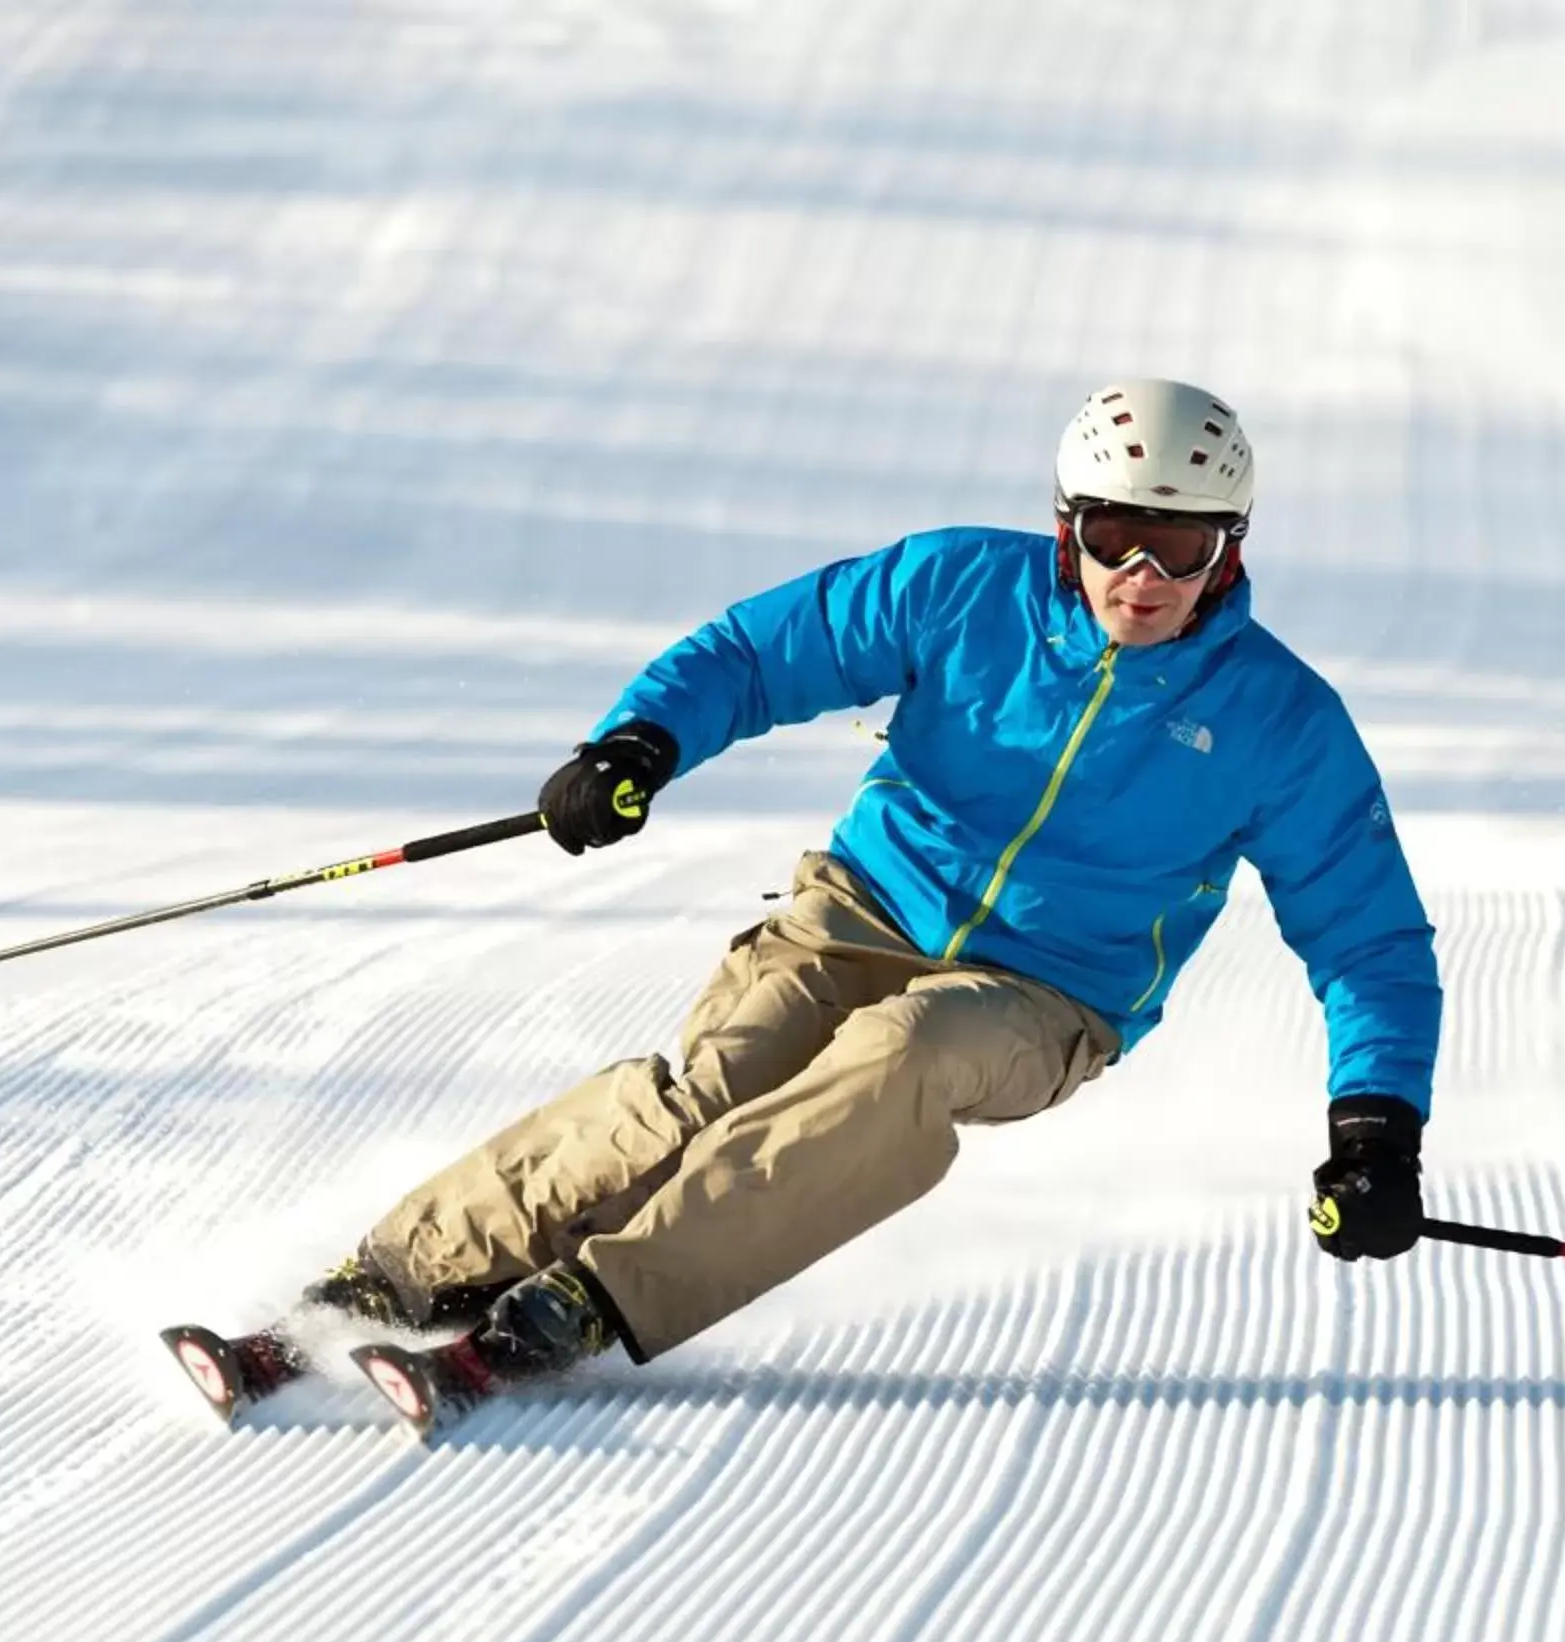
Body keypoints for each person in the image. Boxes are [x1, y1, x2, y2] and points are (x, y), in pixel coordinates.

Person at [165, 379, 1442, 1435]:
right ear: (1067, 529)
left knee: (907, 1054)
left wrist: (1377, 1130)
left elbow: (1369, 939)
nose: (1146, 576)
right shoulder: (959, 589)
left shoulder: (1283, 723)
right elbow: (760, 652)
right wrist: (637, 747)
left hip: (1051, 991)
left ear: (1233, 550)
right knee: (709, 1088)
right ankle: (383, 1280)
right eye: (1117, 536)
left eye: (1185, 546)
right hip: (862, 908)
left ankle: (582, 1305)